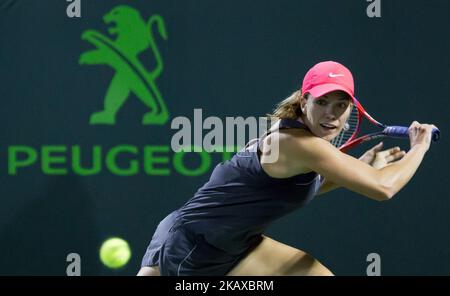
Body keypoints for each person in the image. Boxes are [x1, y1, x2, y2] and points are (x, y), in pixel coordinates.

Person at [137, 61, 437, 276]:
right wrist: (419, 145)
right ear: (304, 100)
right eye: (323, 102)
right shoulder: (300, 144)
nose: (331, 115)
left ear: (351, 108)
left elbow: (287, 191)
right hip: (196, 247)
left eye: (341, 105)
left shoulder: (296, 138)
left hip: (220, 239)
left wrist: (356, 170)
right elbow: (384, 187)